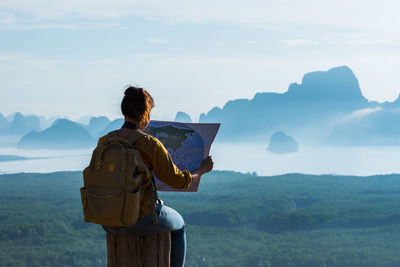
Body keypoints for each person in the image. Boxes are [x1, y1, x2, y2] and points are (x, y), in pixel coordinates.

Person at [101, 86, 213, 267]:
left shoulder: (105, 141)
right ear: (144, 113)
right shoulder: (150, 144)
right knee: (180, 225)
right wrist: (201, 169)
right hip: (139, 218)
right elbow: (178, 181)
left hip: (107, 218)